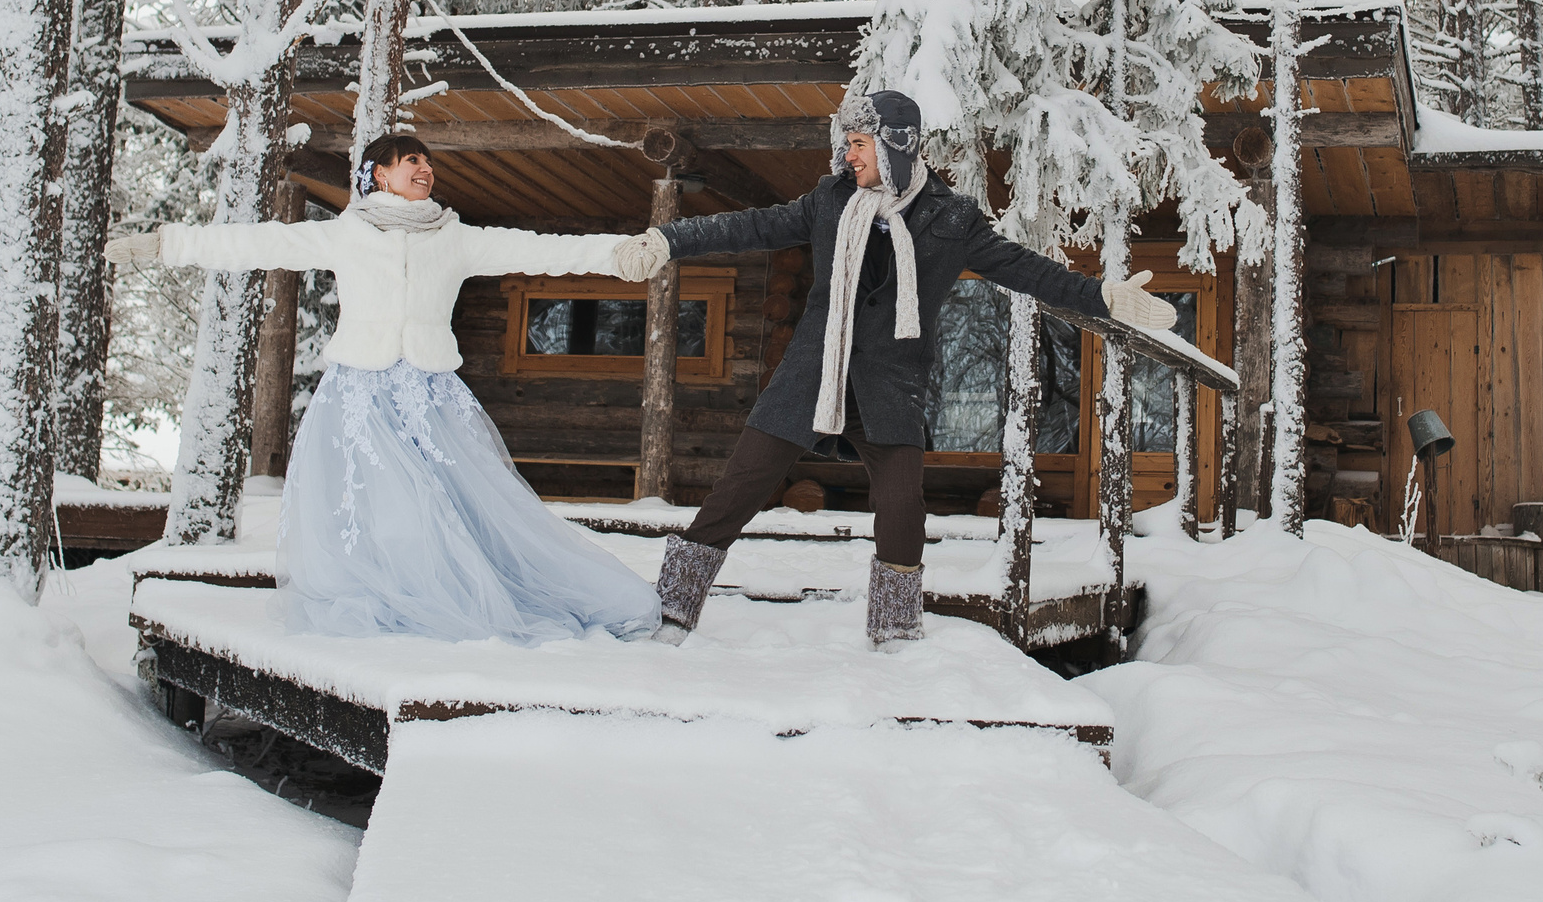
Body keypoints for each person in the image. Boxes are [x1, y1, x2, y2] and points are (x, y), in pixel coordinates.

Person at [612, 89, 1176, 649]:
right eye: (849, 143)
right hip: (812, 378)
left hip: (889, 387)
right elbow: (751, 227)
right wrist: (666, 240)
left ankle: (896, 632)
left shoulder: (952, 219)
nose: (849, 154)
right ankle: (672, 611)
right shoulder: (830, 200)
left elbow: (1025, 270)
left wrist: (1104, 298)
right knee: (738, 490)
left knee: (903, 507)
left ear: (896, 145)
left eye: (860, 143)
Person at [103, 134, 661, 645]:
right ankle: (395, 597)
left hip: (431, 399)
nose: (426, 169)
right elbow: (257, 243)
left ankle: (453, 595)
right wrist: (167, 244)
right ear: (380, 174)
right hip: (359, 397)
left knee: (454, 504)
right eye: (412, 160)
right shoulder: (346, 234)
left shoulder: (454, 238)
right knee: (384, 508)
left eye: (429, 162)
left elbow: (538, 249)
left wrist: (616, 255)